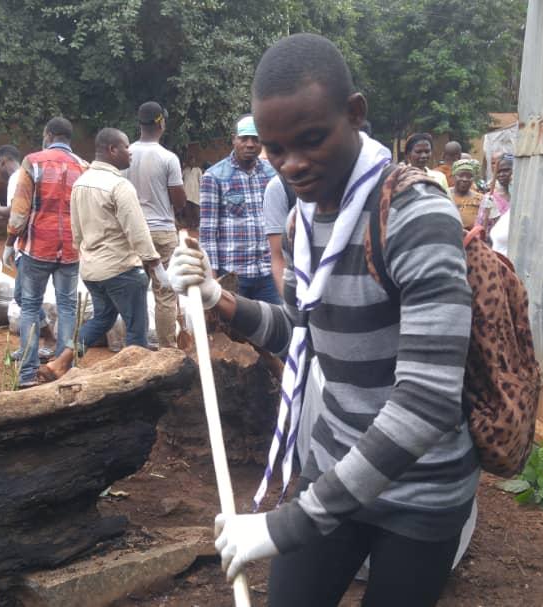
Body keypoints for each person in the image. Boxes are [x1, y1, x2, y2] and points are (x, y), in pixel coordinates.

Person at [168, 33, 476, 607]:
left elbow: (429, 402)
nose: (293, 165)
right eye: (275, 150)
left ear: (355, 113)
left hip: (421, 489)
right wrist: (216, 298)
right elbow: (302, 333)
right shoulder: (306, 219)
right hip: (334, 463)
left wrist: (287, 524)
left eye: (311, 140)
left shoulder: (416, 216)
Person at [40, 128, 160, 382]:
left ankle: (61, 362)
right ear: (112, 150)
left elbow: (76, 231)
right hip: (122, 270)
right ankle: (134, 383)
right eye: (127, 147)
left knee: (102, 318)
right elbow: (136, 230)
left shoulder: (80, 183)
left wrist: (86, 255)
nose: (131, 153)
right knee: (136, 330)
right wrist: (152, 261)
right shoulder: (119, 185)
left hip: (92, 270)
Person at [3, 117, 87, 388]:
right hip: (71, 249)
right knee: (67, 308)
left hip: (37, 247)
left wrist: (9, 242)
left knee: (29, 307)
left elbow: (19, 211)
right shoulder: (83, 167)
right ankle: (65, 369)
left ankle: (27, 375)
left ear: (49, 134)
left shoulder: (33, 161)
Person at [199, 114, 281, 304]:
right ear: (234, 139)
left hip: (269, 271)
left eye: (255, 139)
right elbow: (208, 232)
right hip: (234, 274)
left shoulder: (273, 175)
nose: (250, 144)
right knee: (235, 331)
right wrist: (212, 276)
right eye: (244, 139)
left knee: (276, 327)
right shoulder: (215, 177)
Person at [125, 101, 187, 348]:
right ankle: (166, 349)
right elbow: (179, 200)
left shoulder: (124, 154)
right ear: (161, 123)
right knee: (165, 294)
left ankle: (135, 347)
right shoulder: (168, 158)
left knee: (135, 293)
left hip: (132, 233)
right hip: (162, 232)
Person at [476, 154, 513, 239]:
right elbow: (481, 225)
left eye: (506, 170)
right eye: (498, 172)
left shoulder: (520, 196)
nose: (501, 174)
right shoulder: (490, 198)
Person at [449, 158, 484, 227]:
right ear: (453, 176)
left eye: (469, 176)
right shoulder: (444, 194)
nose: (465, 179)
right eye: (461, 175)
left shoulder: (480, 199)